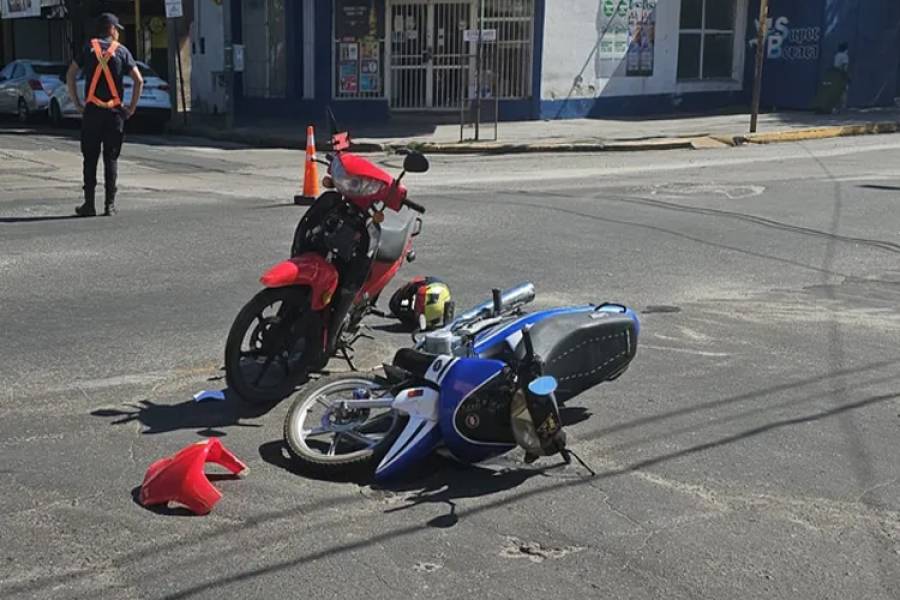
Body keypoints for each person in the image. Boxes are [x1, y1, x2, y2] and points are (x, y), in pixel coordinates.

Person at [66, 13, 143, 217]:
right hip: (114, 113)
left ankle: (89, 204)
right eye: (117, 29)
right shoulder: (122, 52)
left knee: (90, 158)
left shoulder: (87, 48)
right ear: (110, 29)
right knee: (111, 158)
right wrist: (131, 108)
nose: (118, 33)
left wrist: (77, 103)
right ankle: (109, 205)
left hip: (92, 111)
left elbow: (71, 73)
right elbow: (139, 80)